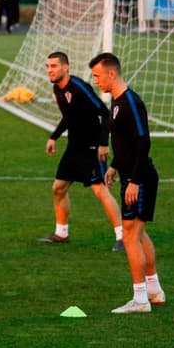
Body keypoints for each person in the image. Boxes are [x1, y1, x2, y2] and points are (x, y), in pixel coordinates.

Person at [90, 52, 166, 314]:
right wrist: (114, 166)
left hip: (140, 177)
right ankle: (154, 290)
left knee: (130, 235)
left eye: (98, 75)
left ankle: (140, 299)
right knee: (138, 233)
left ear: (112, 73)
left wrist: (133, 180)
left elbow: (143, 141)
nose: (96, 80)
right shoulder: (117, 102)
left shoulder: (131, 102)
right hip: (131, 175)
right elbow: (126, 143)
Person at [38, 51, 124, 250]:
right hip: (74, 146)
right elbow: (68, 117)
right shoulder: (58, 89)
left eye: (54, 66)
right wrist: (54, 136)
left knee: (100, 190)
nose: (50, 70)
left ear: (65, 67)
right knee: (58, 188)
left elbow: (105, 113)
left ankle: (122, 237)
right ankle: (61, 233)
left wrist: (103, 143)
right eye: (48, 66)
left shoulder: (79, 88)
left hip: (92, 146)